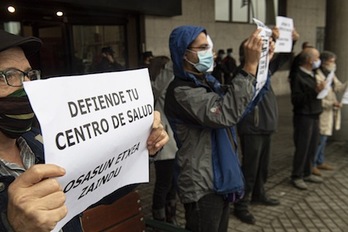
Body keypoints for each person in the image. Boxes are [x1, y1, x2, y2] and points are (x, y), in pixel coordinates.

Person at [0, 29, 169, 232]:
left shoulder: (40, 144)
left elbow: (96, 188)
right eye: (9, 75)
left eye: (29, 75)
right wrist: (10, 224)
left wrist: (142, 147)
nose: (27, 86)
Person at [164, 25, 274, 232]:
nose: (210, 53)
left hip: (219, 179)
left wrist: (262, 64)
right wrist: (249, 66)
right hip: (203, 185)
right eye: (203, 47)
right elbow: (225, 114)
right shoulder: (181, 91)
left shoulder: (207, 82)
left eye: (210, 47)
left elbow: (243, 104)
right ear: (184, 53)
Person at [233, 28, 299, 225]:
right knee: (250, 169)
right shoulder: (243, 73)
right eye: (260, 50)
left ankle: (259, 194)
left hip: (266, 127)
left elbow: (284, 57)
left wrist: (289, 40)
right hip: (252, 129)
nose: (265, 54)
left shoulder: (266, 71)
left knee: (263, 167)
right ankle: (241, 205)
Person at [289, 46, 326, 190]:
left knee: (313, 145)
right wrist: (314, 91)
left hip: (315, 113)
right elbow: (297, 100)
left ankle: (307, 171)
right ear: (310, 60)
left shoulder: (312, 73)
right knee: (303, 147)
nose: (319, 61)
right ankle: (297, 176)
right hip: (304, 116)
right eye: (317, 58)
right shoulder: (297, 76)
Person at [148, 56, 178, 224]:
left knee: (173, 183)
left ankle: (171, 216)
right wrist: (175, 59)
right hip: (164, 145)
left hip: (174, 143)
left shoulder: (169, 87)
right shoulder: (156, 88)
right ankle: (159, 220)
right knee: (163, 184)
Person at [312, 51, 347, 176]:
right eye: (332, 61)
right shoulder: (317, 75)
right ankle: (313, 164)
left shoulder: (331, 74)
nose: (334, 64)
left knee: (324, 137)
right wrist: (332, 104)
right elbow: (318, 98)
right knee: (320, 138)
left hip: (329, 113)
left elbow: (338, 87)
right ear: (324, 62)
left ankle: (320, 161)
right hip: (322, 112)